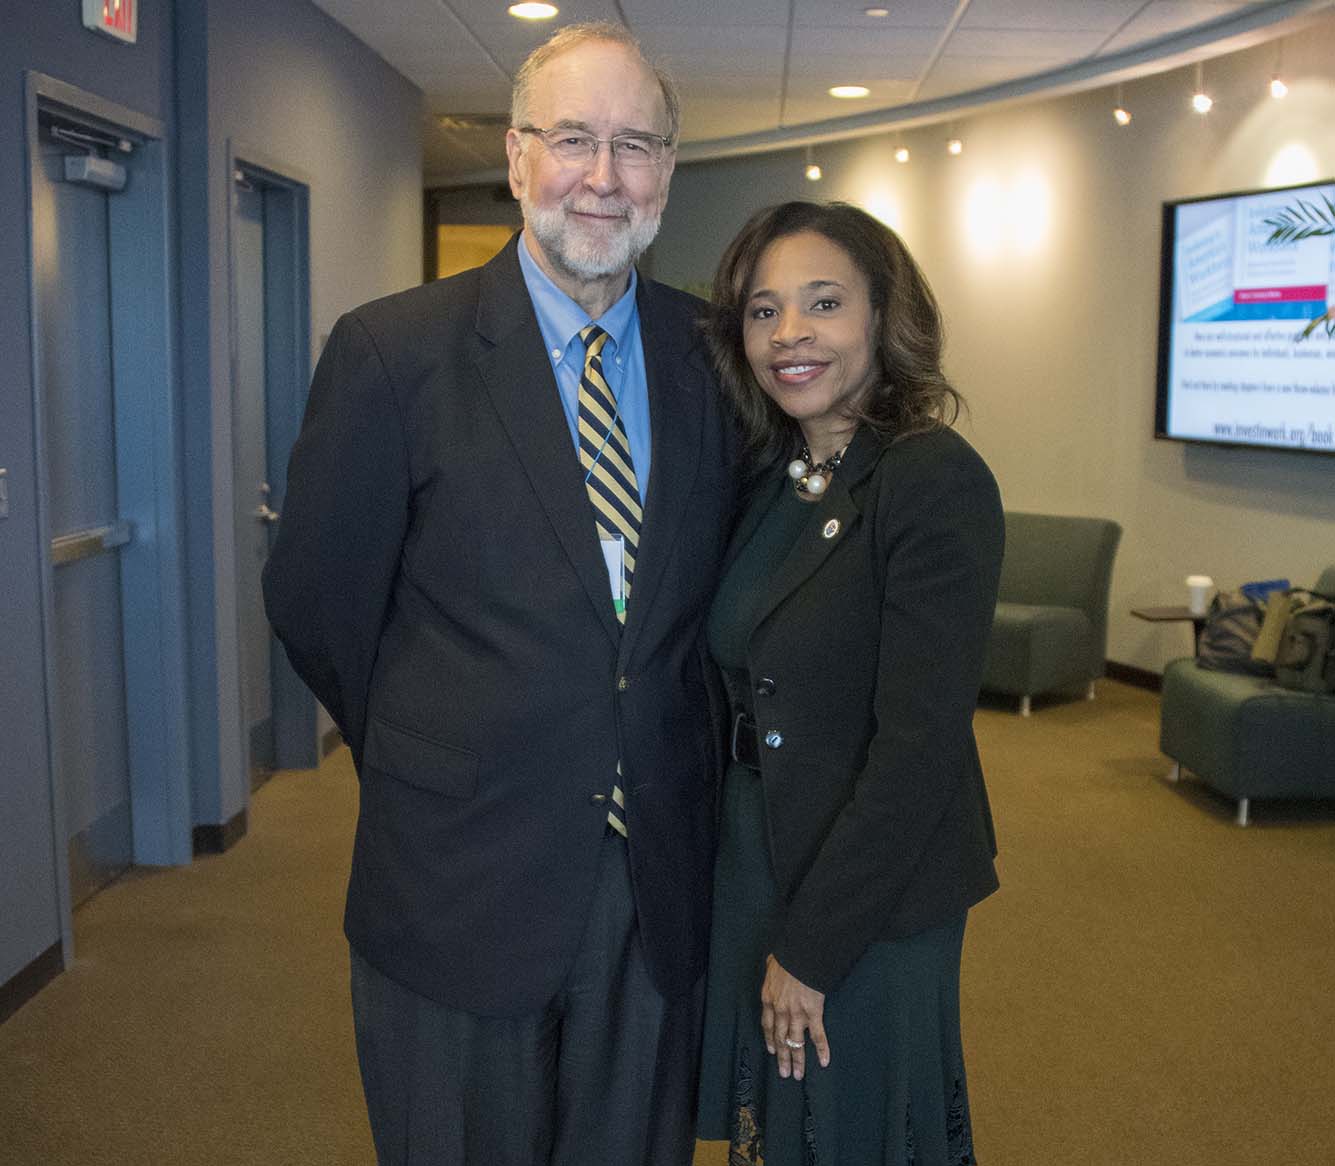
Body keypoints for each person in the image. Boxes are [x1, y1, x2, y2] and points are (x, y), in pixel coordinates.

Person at [262, 22, 736, 1166]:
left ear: (667, 170)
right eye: (573, 138)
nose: (603, 176)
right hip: (454, 883)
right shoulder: (391, 353)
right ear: (519, 156)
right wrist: (447, 754)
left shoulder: (716, 358)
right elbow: (320, 608)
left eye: (634, 144)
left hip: (656, 886)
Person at [695, 200, 1004, 1165]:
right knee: (780, 1126)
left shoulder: (930, 480)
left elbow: (918, 748)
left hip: (870, 882)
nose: (789, 335)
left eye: (822, 304)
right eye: (762, 310)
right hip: (758, 847)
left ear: (882, 316)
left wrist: (814, 948)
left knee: (853, 1124)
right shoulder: (770, 473)